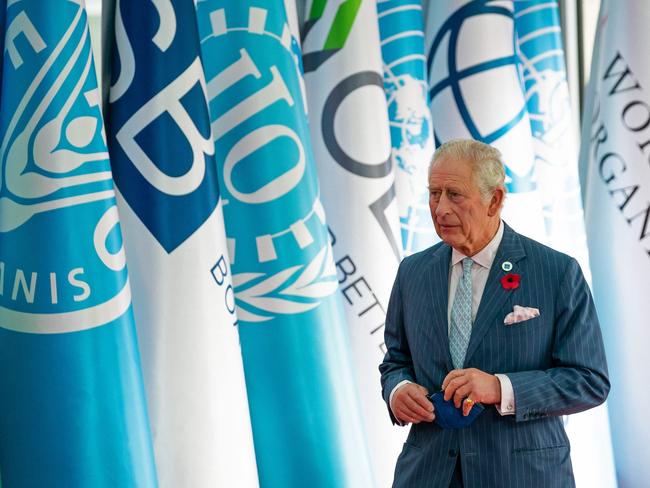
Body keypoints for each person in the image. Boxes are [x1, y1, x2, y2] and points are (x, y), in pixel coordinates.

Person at [379, 139, 609, 487]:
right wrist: (399, 391)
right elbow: (396, 361)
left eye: (454, 194)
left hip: (521, 475)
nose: (440, 209)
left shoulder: (557, 272)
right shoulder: (412, 272)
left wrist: (499, 388)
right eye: (433, 193)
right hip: (427, 473)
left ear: (495, 200)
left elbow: (589, 381)